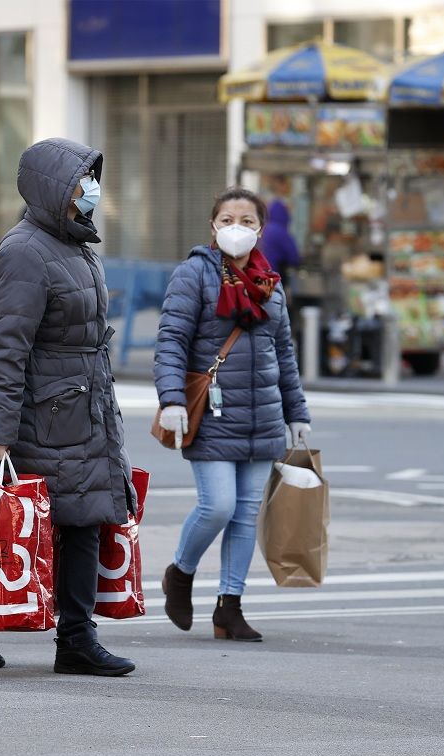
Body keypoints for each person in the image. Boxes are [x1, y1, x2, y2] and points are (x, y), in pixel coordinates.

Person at [0, 137, 138, 677]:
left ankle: (76, 637)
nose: (90, 189)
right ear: (53, 189)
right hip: (37, 416)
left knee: (85, 519)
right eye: (80, 181)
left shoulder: (77, 246)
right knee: (15, 527)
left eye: (92, 179)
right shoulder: (24, 250)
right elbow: (5, 348)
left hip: (81, 408)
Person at [153, 187, 311, 642]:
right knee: (217, 505)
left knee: (244, 515)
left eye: (246, 220)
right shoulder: (194, 275)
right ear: (212, 227)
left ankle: (230, 607)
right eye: (226, 220)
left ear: (261, 229)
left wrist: (296, 412)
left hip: (263, 414)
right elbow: (171, 342)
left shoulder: (269, 285)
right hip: (214, 412)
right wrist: (172, 400)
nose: (236, 228)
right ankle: (180, 574)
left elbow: (284, 353)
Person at [258, 198, 301, 282]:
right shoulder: (281, 231)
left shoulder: (265, 229)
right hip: (275, 276)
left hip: (260, 273)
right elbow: (294, 257)